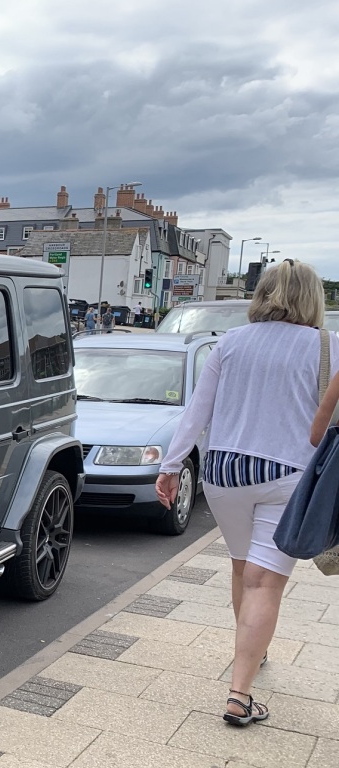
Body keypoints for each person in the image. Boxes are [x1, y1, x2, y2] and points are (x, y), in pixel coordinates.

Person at [156, 259, 338, 726]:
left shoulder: (230, 344)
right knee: (266, 580)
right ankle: (240, 694)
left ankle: (252, 648)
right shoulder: (328, 346)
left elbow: (198, 411)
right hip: (288, 475)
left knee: (243, 570)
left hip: (223, 473)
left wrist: (171, 466)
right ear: (312, 298)